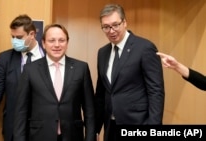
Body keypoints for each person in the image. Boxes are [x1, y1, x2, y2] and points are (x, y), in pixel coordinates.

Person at [13, 23, 96, 141]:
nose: (57, 45)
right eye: (51, 40)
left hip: (73, 136)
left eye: (61, 40)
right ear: (43, 43)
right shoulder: (30, 70)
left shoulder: (81, 68)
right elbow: (21, 111)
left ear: (67, 43)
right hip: (40, 136)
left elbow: (90, 111)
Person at [94, 4, 165, 141]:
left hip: (138, 123)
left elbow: (156, 91)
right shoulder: (102, 53)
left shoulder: (145, 48)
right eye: (106, 27)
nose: (111, 31)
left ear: (125, 22)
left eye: (115, 25)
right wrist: (96, 128)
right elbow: (101, 94)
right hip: (111, 126)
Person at [0, 14, 45, 141]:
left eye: (19, 37)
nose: (15, 40)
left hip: (44, 128)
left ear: (32, 34)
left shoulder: (49, 57)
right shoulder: (6, 59)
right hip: (14, 128)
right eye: (13, 37)